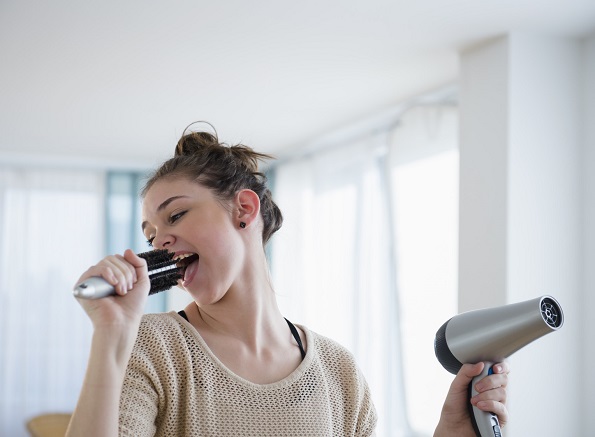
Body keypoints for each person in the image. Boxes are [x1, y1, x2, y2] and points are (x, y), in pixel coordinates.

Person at [66, 126, 509, 437]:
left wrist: (449, 431)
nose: (159, 240)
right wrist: (111, 334)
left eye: (176, 215)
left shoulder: (338, 371)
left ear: (244, 209)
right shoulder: (150, 346)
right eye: (149, 236)